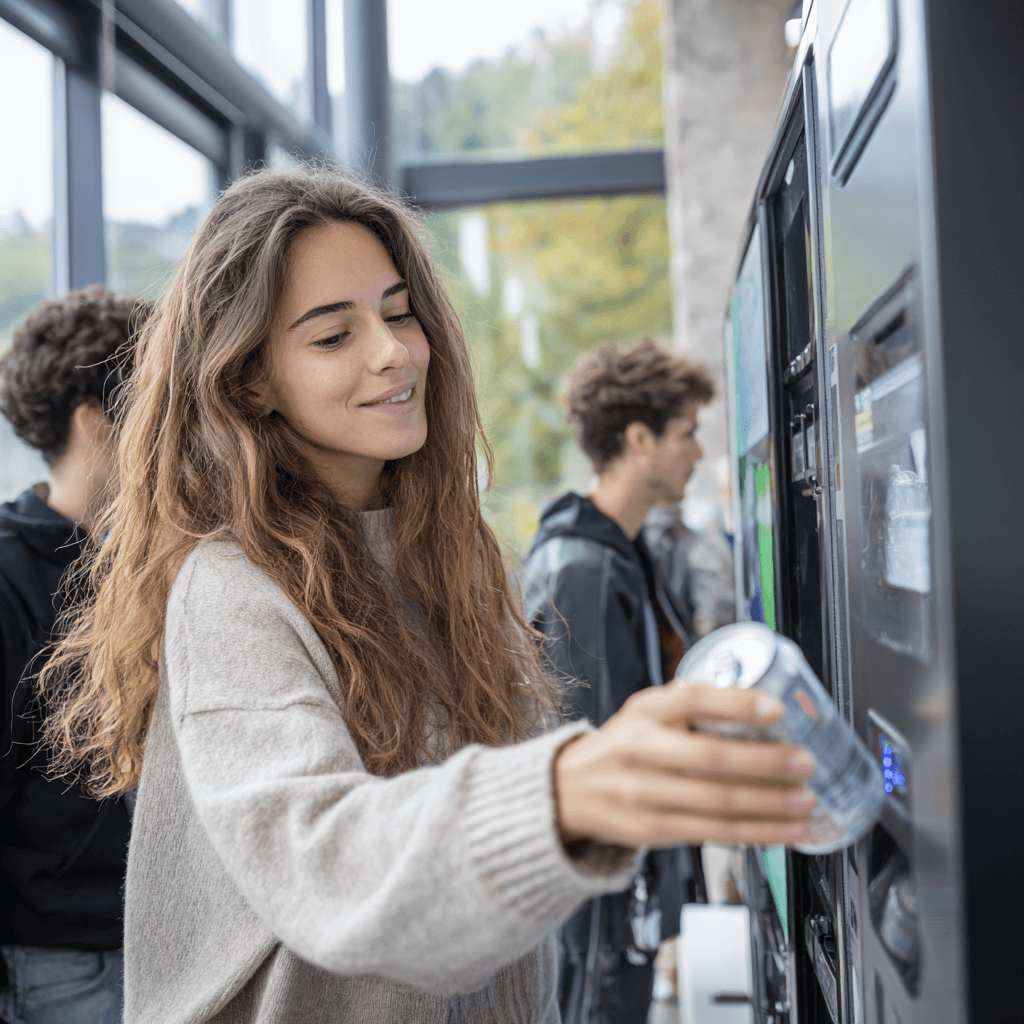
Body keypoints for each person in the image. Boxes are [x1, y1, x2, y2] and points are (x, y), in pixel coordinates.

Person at [39, 167, 818, 1024]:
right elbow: (323, 861)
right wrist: (568, 790)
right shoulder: (229, 588)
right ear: (250, 381)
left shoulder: (457, 560)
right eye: (333, 337)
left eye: (399, 311)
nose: (394, 351)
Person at [521, 339, 723, 1023]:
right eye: (687, 434)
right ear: (640, 439)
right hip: (597, 920)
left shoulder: (618, 552)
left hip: (616, 907)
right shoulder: (587, 570)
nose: (697, 453)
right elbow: (597, 762)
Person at [0, 286, 147, 1024]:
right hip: (61, 963)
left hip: (152, 941)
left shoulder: (141, 567)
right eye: (153, 411)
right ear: (97, 424)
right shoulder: (8, 572)